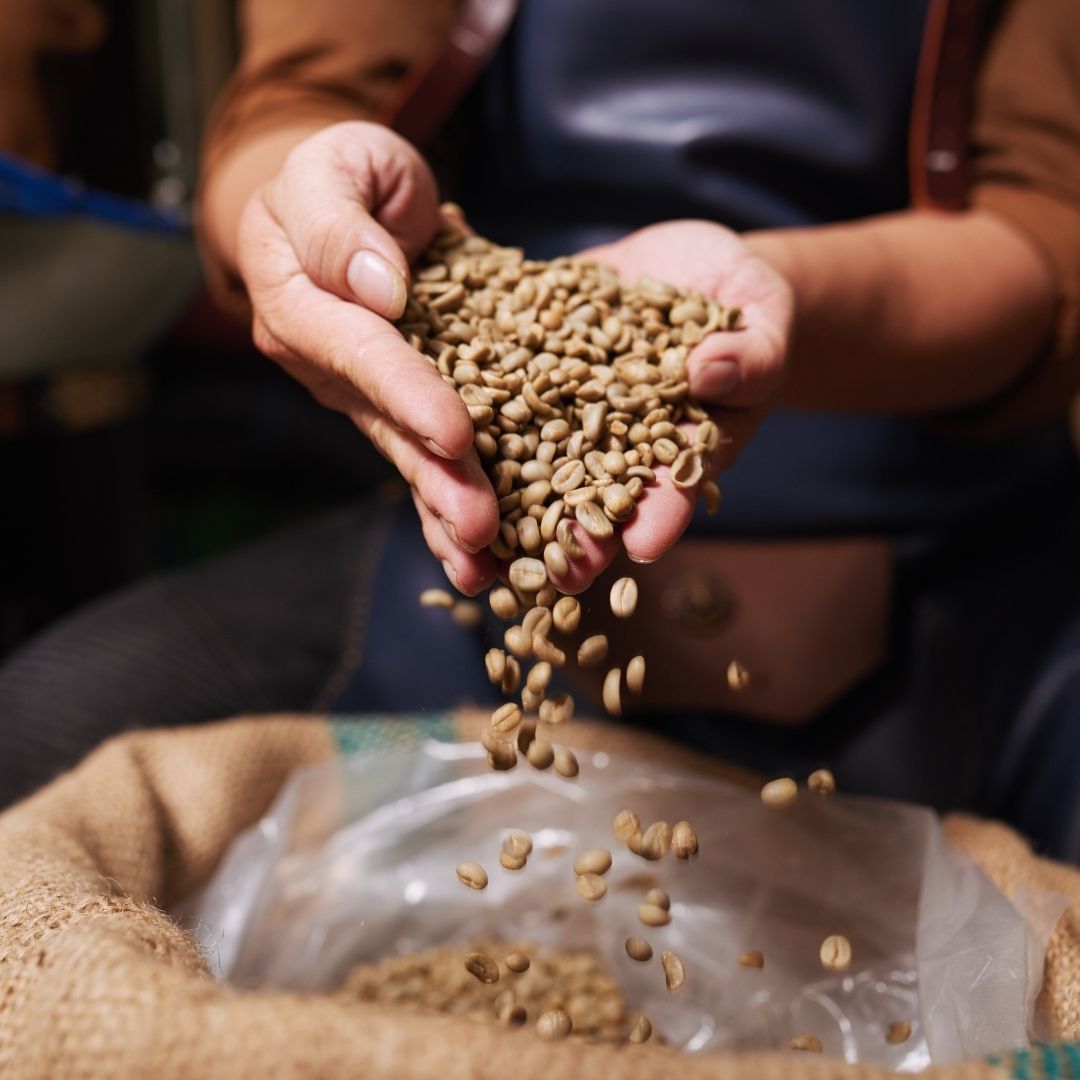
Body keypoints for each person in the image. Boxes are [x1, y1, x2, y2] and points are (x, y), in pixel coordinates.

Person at [1, 0, 1078, 860]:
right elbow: (297, 109)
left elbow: (1049, 233)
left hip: (945, 537)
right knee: (50, 718)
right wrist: (292, 205)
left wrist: (773, 295)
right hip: (466, 506)